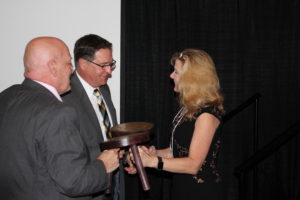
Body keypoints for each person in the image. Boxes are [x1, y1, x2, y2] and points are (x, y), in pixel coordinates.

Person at [0, 37, 121, 200]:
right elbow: (74, 181)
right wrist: (103, 165)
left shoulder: (6, 97)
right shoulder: (58, 112)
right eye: (68, 63)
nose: (71, 70)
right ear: (52, 67)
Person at [138, 49, 225, 200]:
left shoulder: (206, 115)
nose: (171, 76)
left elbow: (193, 165)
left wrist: (153, 162)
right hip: (182, 187)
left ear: (192, 79)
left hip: (201, 192)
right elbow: (177, 151)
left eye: (176, 72)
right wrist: (155, 153)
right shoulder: (189, 108)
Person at [62, 34, 130, 200]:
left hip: (115, 180)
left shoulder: (103, 89)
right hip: (88, 187)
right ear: (83, 64)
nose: (109, 71)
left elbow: (108, 133)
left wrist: (127, 156)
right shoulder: (64, 96)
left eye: (111, 64)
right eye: (103, 65)